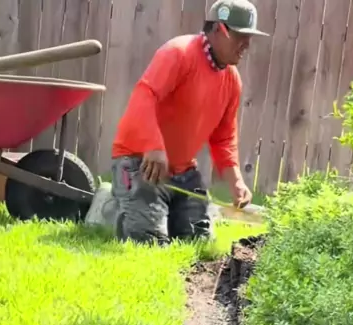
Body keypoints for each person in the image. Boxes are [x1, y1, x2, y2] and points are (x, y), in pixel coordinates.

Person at [110, 0, 269, 245]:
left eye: (249, 38)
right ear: (219, 29)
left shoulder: (231, 80)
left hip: (183, 173)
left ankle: (153, 212)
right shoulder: (179, 53)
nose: (247, 44)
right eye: (241, 36)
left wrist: (236, 182)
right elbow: (145, 96)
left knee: (199, 242)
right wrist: (153, 147)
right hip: (141, 163)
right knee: (149, 241)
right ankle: (115, 210)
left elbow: (223, 138)